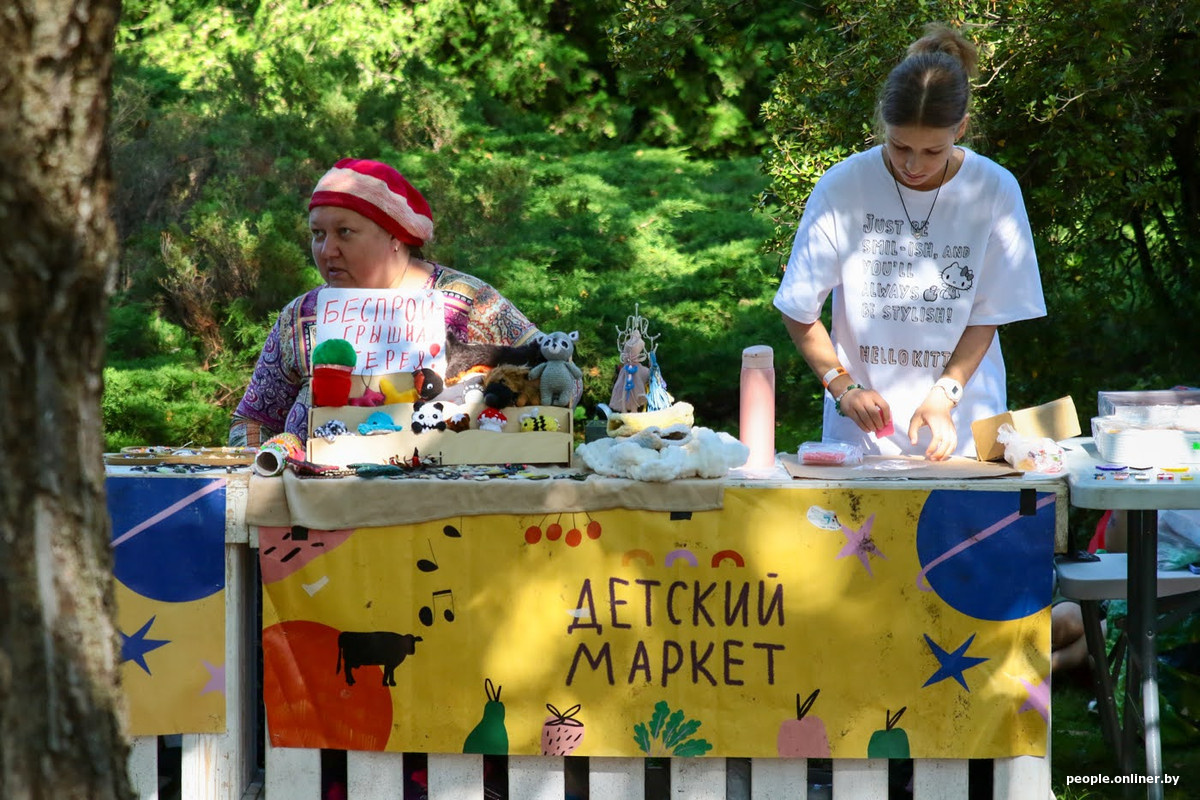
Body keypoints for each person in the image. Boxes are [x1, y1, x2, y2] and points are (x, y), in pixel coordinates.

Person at [773, 24, 1046, 460]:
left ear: (962, 128)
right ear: (883, 124)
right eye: (899, 146)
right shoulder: (843, 187)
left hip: (963, 430)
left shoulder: (995, 189)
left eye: (932, 152)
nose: (912, 166)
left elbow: (989, 312)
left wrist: (945, 393)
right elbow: (798, 309)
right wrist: (842, 387)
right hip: (861, 442)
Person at [229, 157, 560, 447]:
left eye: (344, 232)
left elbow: (556, 372)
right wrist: (263, 471)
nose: (327, 250)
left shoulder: (467, 303)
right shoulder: (302, 316)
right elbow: (254, 419)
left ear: (396, 236)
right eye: (318, 234)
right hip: (317, 506)